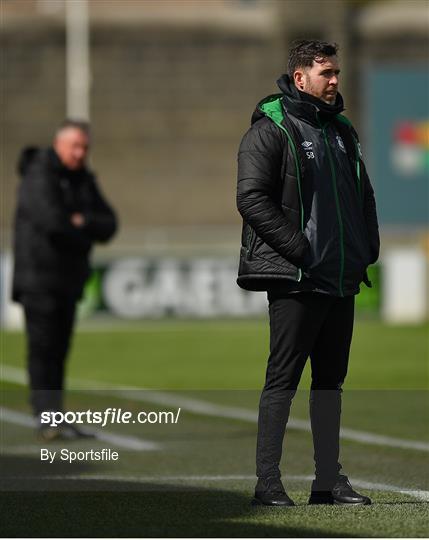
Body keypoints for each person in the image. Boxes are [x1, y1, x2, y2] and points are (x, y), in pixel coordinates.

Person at [236, 40, 379, 506]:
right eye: (326, 73)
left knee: (330, 385)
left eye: (337, 72)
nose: (335, 80)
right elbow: (251, 198)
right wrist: (301, 250)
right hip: (296, 278)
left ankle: (327, 482)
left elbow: (364, 196)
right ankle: (268, 483)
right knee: (283, 379)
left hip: (340, 277)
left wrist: (365, 250)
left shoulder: (342, 131)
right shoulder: (271, 129)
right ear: (301, 78)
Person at [12, 119, 118, 441]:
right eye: (75, 145)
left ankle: (55, 416)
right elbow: (52, 222)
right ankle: (46, 417)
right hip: (38, 278)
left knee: (59, 350)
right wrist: (84, 233)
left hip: (68, 280)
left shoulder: (83, 179)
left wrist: (82, 219)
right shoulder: (38, 174)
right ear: (58, 144)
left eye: (84, 146)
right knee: (43, 348)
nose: (80, 152)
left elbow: (109, 223)